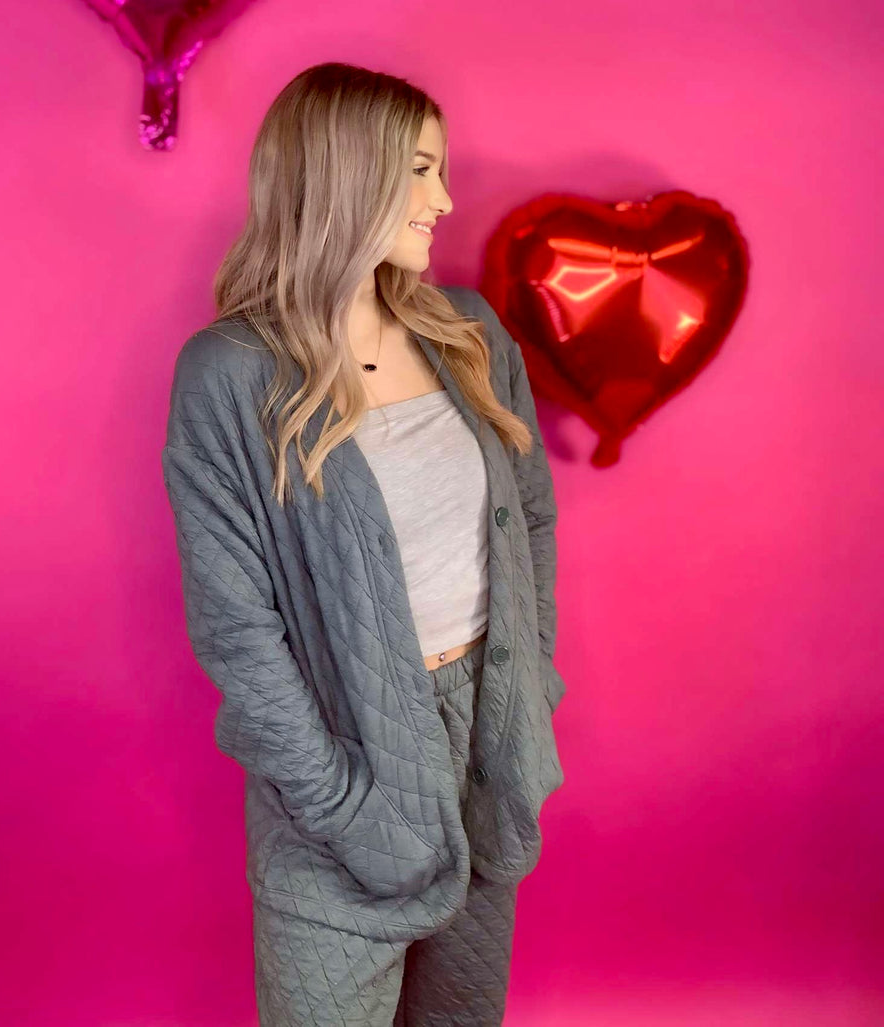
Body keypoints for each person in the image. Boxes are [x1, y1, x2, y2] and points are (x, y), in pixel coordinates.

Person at [161, 61, 566, 1027]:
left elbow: (531, 521)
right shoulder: (229, 375)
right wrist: (340, 801)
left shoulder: (468, 331)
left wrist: (532, 688)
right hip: (342, 761)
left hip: (487, 748)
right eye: (421, 170)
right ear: (347, 174)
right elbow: (237, 630)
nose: (446, 199)